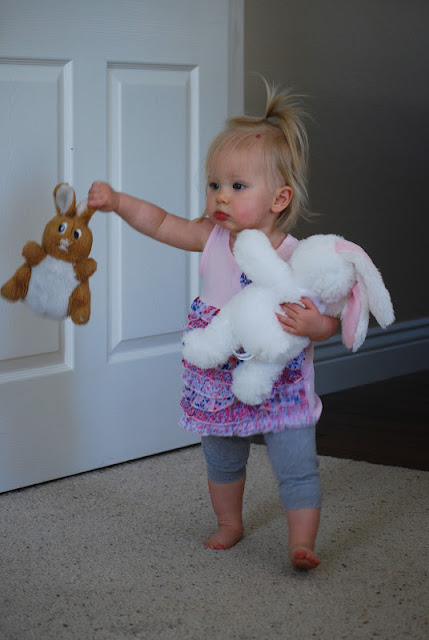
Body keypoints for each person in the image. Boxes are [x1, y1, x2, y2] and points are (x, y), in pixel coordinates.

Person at [88, 81, 339, 570]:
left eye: (237, 186)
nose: (221, 196)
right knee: (222, 457)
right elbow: (161, 223)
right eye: (214, 185)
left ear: (279, 198)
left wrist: (316, 325)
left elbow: (328, 322)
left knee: (296, 462)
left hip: (278, 379)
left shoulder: (298, 257)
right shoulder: (211, 238)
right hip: (217, 370)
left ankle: (302, 541)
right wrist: (118, 201)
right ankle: (229, 522)